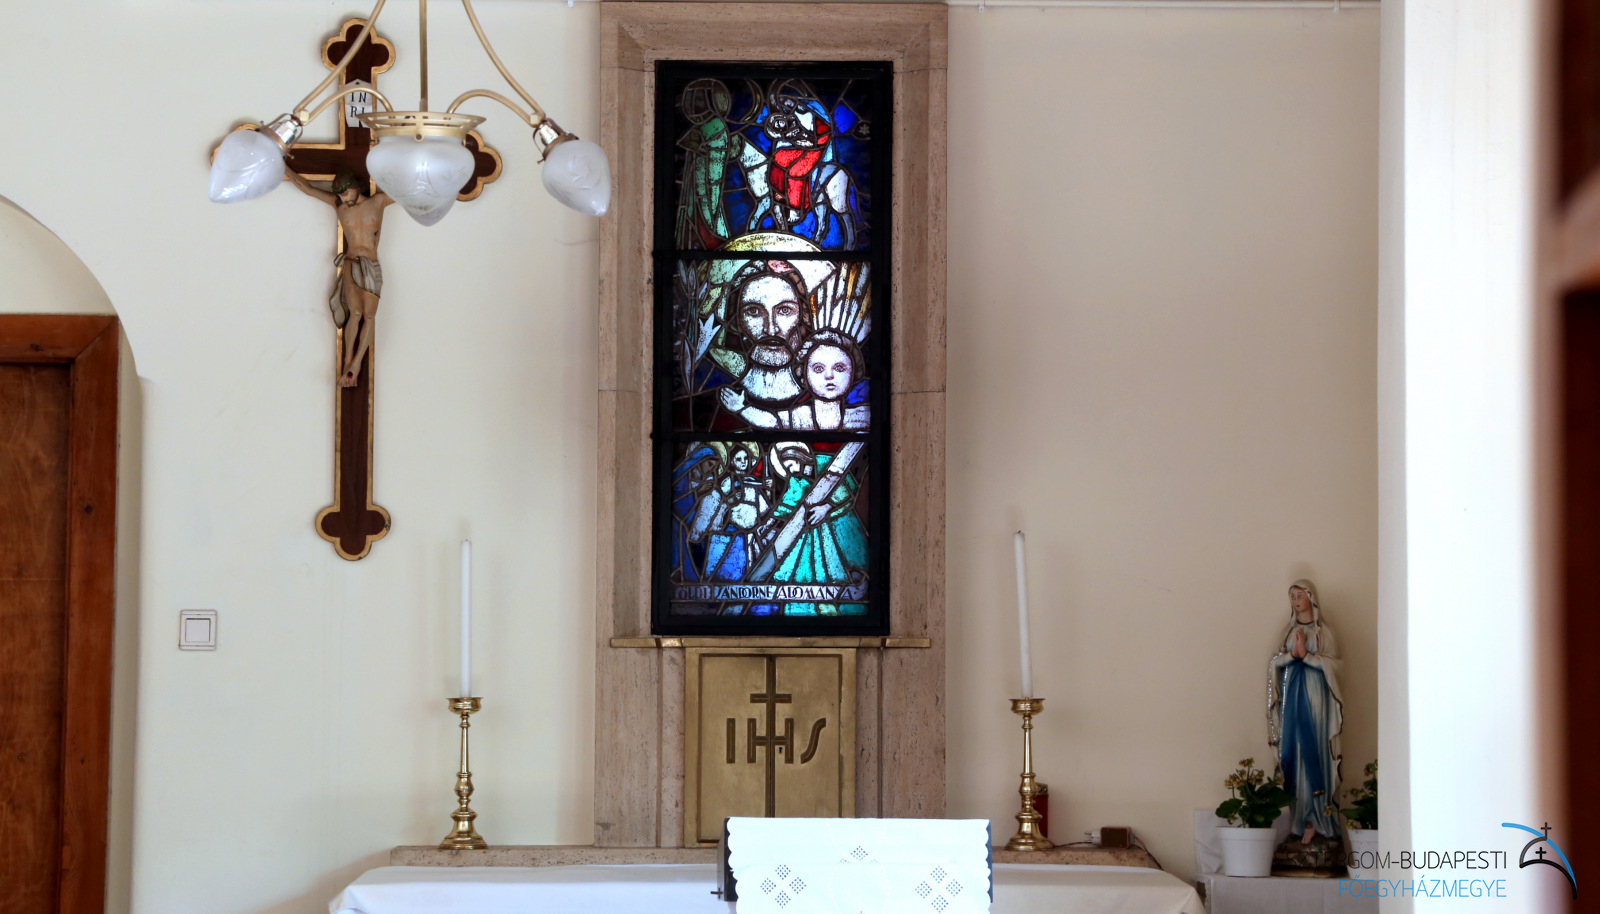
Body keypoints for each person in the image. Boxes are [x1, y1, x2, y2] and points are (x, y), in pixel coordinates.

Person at [285, 170, 393, 387]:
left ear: (354, 188)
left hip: (371, 265)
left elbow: (409, 193)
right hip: (352, 263)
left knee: (369, 315)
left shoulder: (378, 201)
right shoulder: (339, 206)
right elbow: (308, 189)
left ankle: (357, 364)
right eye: (340, 196)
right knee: (355, 313)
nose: (343, 200)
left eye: (345, 194)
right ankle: (347, 362)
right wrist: (284, 168)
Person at [1268, 580, 1344, 845]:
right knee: (1295, 753)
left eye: (1300, 595)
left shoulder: (1324, 633)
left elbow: (1337, 666)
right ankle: (1300, 821)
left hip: (1316, 699)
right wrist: (1292, 655)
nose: (1296, 600)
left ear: (1311, 597)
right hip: (1292, 699)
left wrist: (1308, 657)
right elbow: (1274, 663)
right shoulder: (1288, 632)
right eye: (1292, 596)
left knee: (1317, 749)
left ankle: (1320, 820)